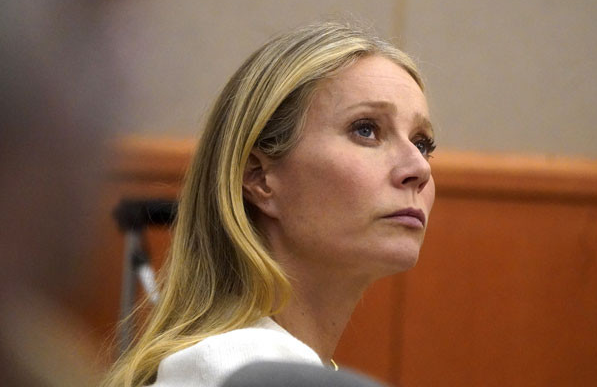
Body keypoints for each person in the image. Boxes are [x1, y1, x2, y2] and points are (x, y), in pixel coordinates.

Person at [102, 21, 436, 387]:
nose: (419, 168)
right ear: (259, 177)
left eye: (422, 144)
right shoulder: (232, 370)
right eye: (366, 129)